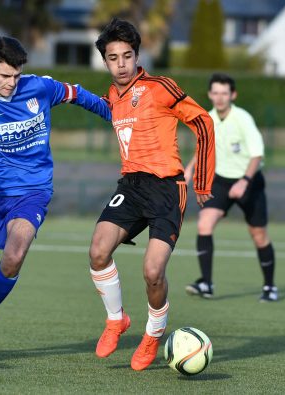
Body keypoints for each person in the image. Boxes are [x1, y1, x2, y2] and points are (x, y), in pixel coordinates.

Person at [0, 36, 111, 358]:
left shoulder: (40, 87)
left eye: (17, 75)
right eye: (5, 76)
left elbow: (78, 94)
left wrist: (116, 117)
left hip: (32, 191)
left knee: (15, 254)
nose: (11, 83)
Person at [89, 18, 215, 371]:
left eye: (127, 56)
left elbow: (203, 121)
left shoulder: (160, 88)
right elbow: (95, 103)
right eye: (113, 58)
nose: (121, 64)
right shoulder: (112, 96)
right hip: (130, 187)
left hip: (166, 189)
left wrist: (203, 179)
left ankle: (153, 333)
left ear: (137, 56)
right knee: (98, 251)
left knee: (152, 271)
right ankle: (116, 320)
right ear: (105, 61)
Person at [184, 73, 277, 302]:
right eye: (215, 92)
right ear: (209, 94)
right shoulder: (207, 118)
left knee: (259, 235)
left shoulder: (243, 118)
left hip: (249, 181)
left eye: (224, 93)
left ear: (232, 95)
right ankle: (206, 283)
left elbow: (257, 155)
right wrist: (189, 170)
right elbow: (203, 148)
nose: (219, 97)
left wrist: (244, 181)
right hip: (221, 180)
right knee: (204, 224)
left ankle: (269, 287)